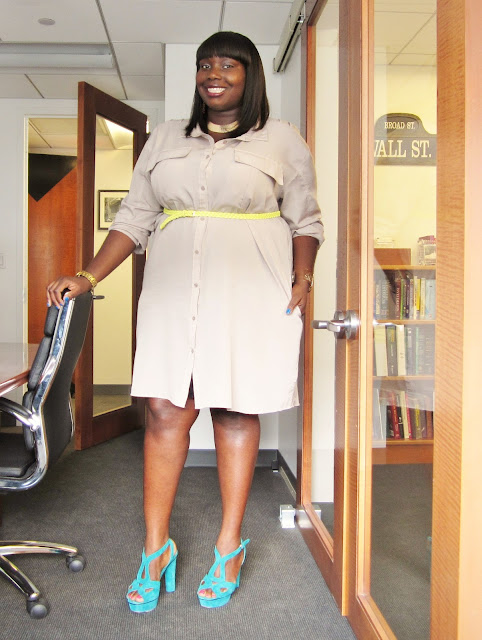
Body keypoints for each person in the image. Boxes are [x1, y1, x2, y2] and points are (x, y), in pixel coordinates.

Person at [46, 31, 323, 612]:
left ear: (250, 75)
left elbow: (305, 220)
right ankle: (155, 548)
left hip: (251, 291)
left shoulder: (282, 139)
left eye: (227, 64)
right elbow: (134, 216)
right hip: (173, 293)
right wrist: (88, 276)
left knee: (235, 408)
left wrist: (303, 278)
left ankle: (229, 546)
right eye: (205, 65)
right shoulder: (166, 137)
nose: (213, 74)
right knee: (166, 410)